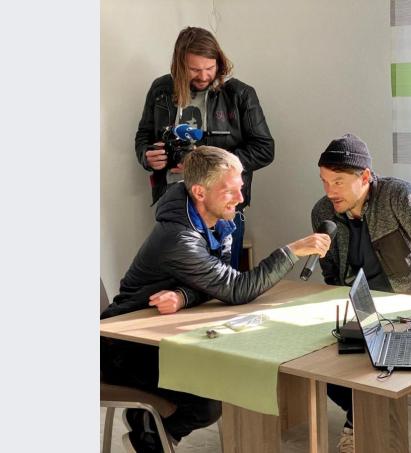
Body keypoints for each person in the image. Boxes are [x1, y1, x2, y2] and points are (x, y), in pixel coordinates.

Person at [101, 146, 331, 452]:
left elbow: (215, 281)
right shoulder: (179, 239)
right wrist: (292, 251)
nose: (240, 198)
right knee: (210, 399)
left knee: (226, 380)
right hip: (122, 349)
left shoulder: (214, 222)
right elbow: (236, 289)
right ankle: (149, 440)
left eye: (241, 188)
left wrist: (183, 295)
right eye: (231, 191)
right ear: (199, 191)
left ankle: (147, 427)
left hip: (159, 336)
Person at [311, 133, 411, 452]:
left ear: (364, 177)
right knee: (316, 360)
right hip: (360, 310)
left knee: (374, 364)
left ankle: (361, 425)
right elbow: (331, 273)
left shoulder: (398, 197)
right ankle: (358, 418)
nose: (329, 191)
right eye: (324, 181)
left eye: (337, 182)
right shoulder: (323, 212)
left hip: (404, 310)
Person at [135, 26, 274, 270]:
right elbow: (143, 136)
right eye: (194, 70)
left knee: (224, 284)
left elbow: (264, 149)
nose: (203, 76)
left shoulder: (240, 94)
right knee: (176, 284)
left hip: (221, 205)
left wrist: (207, 165)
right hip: (173, 206)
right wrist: (147, 157)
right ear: (179, 66)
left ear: (219, 63)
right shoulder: (160, 91)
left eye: (210, 68)